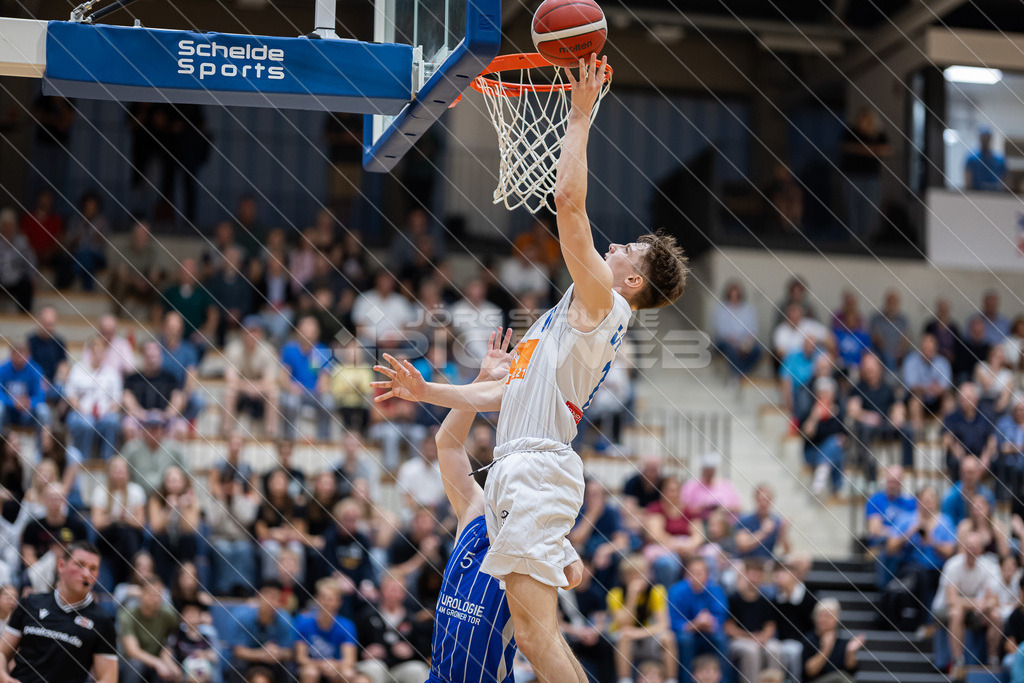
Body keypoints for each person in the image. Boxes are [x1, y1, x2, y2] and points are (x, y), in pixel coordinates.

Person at [373, 56, 689, 683]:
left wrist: (578, 109)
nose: (617, 243)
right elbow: (498, 391)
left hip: (538, 466)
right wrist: (425, 389)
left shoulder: (605, 305)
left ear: (631, 279)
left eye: (629, 250)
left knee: (537, 640)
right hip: (520, 466)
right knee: (533, 636)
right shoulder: (562, 316)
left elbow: (568, 203)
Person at [0, 541, 117, 683]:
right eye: (80, 565)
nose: (86, 574)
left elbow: (108, 678)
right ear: (61, 566)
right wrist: (4, 678)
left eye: (93, 568)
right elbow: (2, 652)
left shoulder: (101, 621)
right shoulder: (31, 603)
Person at [932, 533, 1004, 672]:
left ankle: (993, 659)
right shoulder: (953, 564)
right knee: (956, 612)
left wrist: (985, 605)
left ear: (981, 549)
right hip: (945, 609)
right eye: (968, 547)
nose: (971, 550)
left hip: (975, 611)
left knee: (996, 615)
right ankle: (958, 660)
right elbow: (951, 600)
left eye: (975, 547)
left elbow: (993, 599)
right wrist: (977, 602)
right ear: (963, 548)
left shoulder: (989, 566)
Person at [607, 554, 676, 683]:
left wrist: (637, 633)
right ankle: (625, 680)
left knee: (668, 637)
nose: (637, 578)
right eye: (632, 575)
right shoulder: (615, 594)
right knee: (623, 637)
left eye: (640, 574)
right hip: (624, 640)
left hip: (645, 635)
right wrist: (632, 596)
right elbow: (623, 624)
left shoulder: (657, 591)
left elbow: (663, 625)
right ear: (624, 577)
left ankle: (671, 680)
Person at [668, 557, 729, 683]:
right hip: (687, 633)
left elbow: (721, 616)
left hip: (708, 632)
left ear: (707, 575)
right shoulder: (676, 591)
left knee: (721, 639)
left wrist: (711, 623)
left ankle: (724, 680)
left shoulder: (715, 590)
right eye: (692, 573)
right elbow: (675, 623)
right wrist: (694, 624)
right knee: (685, 639)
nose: (696, 577)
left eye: (700, 573)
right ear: (686, 575)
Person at [65, 335, 123, 461]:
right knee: (86, 423)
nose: (98, 355)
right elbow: (71, 396)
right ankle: (83, 460)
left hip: (104, 414)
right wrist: (84, 411)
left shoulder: (111, 373)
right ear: (89, 352)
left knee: (113, 422)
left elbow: (117, 401)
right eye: (95, 352)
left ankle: (107, 460)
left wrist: (105, 411)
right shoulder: (77, 369)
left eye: (101, 352)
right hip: (81, 413)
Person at [726, 561, 783, 683]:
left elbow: (770, 625)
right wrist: (749, 637)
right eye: (751, 574)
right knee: (752, 651)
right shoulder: (734, 598)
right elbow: (728, 628)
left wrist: (763, 637)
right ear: (745, 575)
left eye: (757, 575)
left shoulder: (766, 600)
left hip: (760, 639)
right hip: (739, 640)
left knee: (775, 649)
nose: (754, 579)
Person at [839, 107, 890, 240]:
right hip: (852, 177)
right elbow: (846, 147)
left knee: (869, 211)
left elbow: (887, 150)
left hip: (872, 178)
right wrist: (870, 150)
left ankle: (865, 241)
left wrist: (865, 150)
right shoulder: (851, 133)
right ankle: (852, 241)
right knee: (852, 211)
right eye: (862, 120)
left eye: (867, 121)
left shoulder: (879, 135)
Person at [118, 577, 182, 683]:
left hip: (157, 661)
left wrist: (167, 660)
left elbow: (171, 641)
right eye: (152, 594)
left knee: (171, 671)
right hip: (129, 662)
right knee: (136, 665)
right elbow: (132, 651)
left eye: (159, 595)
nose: (156, 599)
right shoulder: (128, 614)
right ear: (142, 594)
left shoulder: (169, 615)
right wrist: (158, 663)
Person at [294, 578, 358, 683]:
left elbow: (350, 659)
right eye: (323, 598)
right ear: (316, 599)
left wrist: (334, 665)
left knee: (348, 673)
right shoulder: (303, 621)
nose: (327, 603)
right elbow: (300, 657)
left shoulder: (346, 625)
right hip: (312, 667)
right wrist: (322, 664)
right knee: (310, 672)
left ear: (339, 602)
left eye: (331, 599)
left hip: (336, 667)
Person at [231, 579, 296, 681]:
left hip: (273, 662)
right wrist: (263, 654)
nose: (271, 602)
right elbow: (238, 651)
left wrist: (278, 653)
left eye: (276, 598)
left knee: (287, 668)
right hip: (249, 661)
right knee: (237, 665)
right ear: (258, 596)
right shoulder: (242, 617)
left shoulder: (285, 620)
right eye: (268, 597)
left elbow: (289, 652)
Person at [801, 598, 864, 683]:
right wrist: (826, 649)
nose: (824, 619)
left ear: (836, 618)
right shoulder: (809, 640)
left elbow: (851, 672)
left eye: (828, 616)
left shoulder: (842, 641)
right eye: (821, 615)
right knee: (839, 678)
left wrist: (851, 652)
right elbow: (810, 672)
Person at [0, 341, 50, 434]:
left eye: (22, 353)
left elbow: (41, 395)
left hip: (29, 411)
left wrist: (29, 402)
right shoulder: (3, 369)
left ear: (28, 354)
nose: (19, 357)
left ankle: (41, 447)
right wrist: (13, 402)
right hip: (8, 411)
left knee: (44, 411)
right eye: (16, 353)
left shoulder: (36, 370)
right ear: (11, 354)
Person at [735, 485, 791, 562]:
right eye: (761, 499)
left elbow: (787, 551)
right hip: (747, 563)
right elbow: (742, 546)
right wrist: (763, 532)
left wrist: (783, 532)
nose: (764, 503)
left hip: (767, 563)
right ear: (755, 499)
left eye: (767, 499)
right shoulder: (745, 520)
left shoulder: (776, 521)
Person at [681, 451, 741, 523]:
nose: (709, 473)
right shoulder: (691, 486)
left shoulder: (726, 485)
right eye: (707, 470)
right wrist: (701, 508)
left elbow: (738, 508)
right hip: (699, 523)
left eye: (711, 470)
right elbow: (682, 508)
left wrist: (724, 509)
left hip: (723, 524)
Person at [965, 128, 1007, 192]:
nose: (985, 140)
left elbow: (1005, 180)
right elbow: (968, 181)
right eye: (982, 138)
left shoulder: (999, 159)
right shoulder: (972, 158)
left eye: (987, 137)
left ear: (990, 138)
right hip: (976, 194)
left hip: (996, 195)